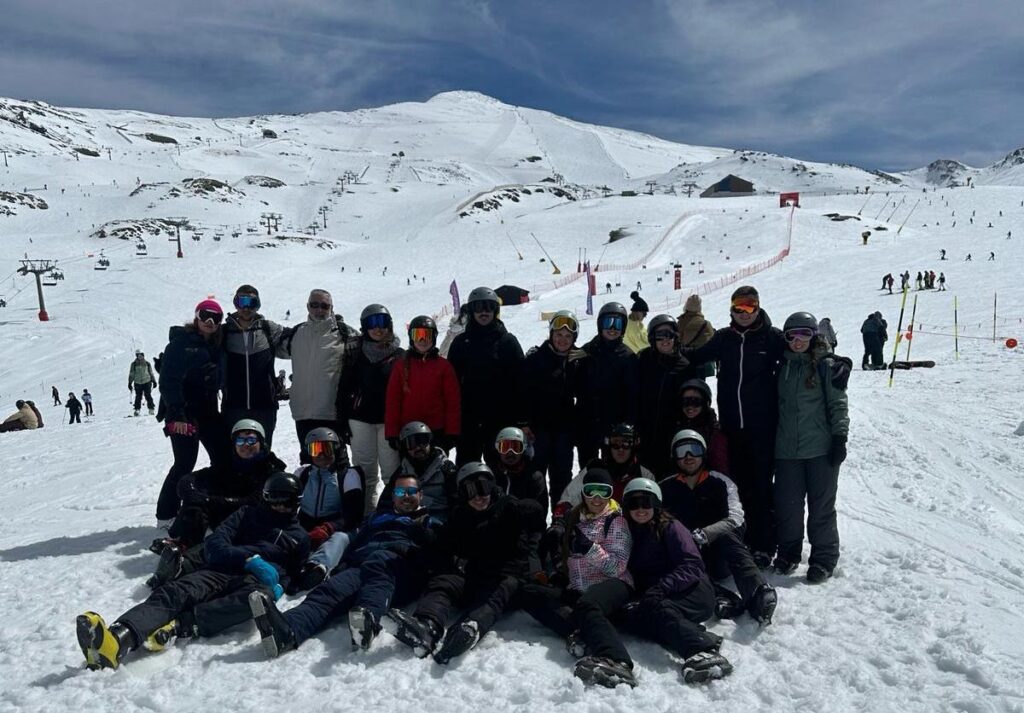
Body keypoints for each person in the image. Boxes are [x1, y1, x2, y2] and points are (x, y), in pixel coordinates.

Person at [76, 472, 310, 670]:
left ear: (296, 502)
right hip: (222, 569)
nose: (278, 506)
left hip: (255, 581)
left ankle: (182, 624)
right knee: (175, 591)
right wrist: (248, 558)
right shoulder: (247, 514)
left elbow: (294, 574)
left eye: (285, 501)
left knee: (255, 601)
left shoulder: (299, 538)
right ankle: (117, 640)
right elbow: (215, 543)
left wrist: (280, 584)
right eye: (273, 499)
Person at [248, 473, 441, 657]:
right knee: (329, 591)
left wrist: (423, 539)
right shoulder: (377, 518)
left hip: (399, 571)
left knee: (379, 560)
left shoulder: (430, 521)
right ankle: (287, 630)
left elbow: (439, 554)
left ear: (420, 495)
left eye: (411, 492)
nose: (405, 496)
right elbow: (354, 540)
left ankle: (368, 620)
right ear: (393, 496)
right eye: (400, 492)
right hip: (364, 566)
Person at [388, 462, 545, 663]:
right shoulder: (460, 516)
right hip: (475, 576)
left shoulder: (507, 508)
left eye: (483, 488)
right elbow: (442, 545)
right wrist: (420, 538)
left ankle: (470, 628)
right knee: (444, 581)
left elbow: (536, 515)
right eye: (470, 491)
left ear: (492, 487)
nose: (478, 496)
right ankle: (426, 626)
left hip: (506, 577)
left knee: (500, 590)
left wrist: (524, 507)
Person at [681, 286, 786, 567]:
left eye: (750, 307)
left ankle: (764, 544)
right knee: (736, 488)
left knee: (762, 486)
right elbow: (695, 355)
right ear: (731, 309)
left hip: (762, 428)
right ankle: (741, 540)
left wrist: (835, 359)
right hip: (732, 429)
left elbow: (804, 352)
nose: (744, 313)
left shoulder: (771, 337)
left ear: (758, 307)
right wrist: (660, 349)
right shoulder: (724, 339)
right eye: (739, 307)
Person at [526, 468, 635, 688]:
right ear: (583, 493)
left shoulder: (616, 521)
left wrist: (590, 549)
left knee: (587, 604)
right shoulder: (575, 517)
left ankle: (617, 661)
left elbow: (617, 566)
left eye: (603, 492)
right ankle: (583, 630)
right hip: (579, 586)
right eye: (591, 491)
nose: (596, 498)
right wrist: (560, 572)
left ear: (611, 494)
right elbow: (569, 557)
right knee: (529, 592)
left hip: (615, 584)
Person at [149, 419, 289, 588]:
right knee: (196, 502)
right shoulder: (228, 463)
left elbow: (253, 501)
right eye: (240, 440)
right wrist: (190, 491)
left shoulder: (271, 469)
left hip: (250, 523)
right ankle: (182, 543)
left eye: (251, 440)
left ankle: (185, 562)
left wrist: (211, 500)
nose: (246, 445)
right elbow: (193, 478)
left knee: (210, 515)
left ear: (261, 442)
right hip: (225, 515)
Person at [619, 478, 733, 683]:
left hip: (692, 590)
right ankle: (692, 633)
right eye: (634, 504)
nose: (641, 509)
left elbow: (693, 565)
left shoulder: (670, 527)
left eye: (647, 503)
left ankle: (703, 649)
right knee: (630, 615)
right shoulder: (626, 531)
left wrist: (662, 587)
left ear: (656, 504)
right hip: (660, 593)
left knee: (654, 608)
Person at [659, 430, 777, 625]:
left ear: (703, 454)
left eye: (694, 450)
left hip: (719, 554)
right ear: (674, 457)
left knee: (728, 536)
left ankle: (757, 591)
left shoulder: (720, 481)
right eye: (682, 452)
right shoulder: (665, 487)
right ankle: (723, 596)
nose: (688, 457)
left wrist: (706, 534)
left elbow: (736, 517)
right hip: (684, 558)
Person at [773, 313, 850, 583]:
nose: (797, 341)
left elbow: (838, 403)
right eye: (791, 336)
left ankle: (823, 558)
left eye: (804, 335)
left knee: (821, 507)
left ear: (814, 335)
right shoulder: (780, 365)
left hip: (820, 449)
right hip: (786, 451)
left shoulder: (826, 366)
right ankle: (788, 552)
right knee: (788, 507)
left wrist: (839, 437)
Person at [155, 299, 227, 526]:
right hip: (184, 414)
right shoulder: (180, 344)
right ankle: (166, 514)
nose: (209, 322)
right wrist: (177, 413)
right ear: (196, 316)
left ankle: (216, 505)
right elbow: (168, 381)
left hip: (208, 412)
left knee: (223, 458)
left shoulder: (215, 344)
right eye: (205, 315)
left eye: (215, 318)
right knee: (184, 462)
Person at [276, 289, 360, 464]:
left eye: (324, 306)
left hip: (332, 412)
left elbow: (371, 348)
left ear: (331, 307)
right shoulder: (297, 334)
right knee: (308, 463)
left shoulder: (345, 334)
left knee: (337, 463)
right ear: (308, 306)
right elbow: (269, 349)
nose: (319, 310)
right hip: (303, 413)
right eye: (315, 305)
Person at [447, 287, 525, 466]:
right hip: (469, 421)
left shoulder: (507, 342)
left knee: (499, 469)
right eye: (478, 307)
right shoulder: (461, 343)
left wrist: (521, 420)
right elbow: (451, 386)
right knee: (467, 469)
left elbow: (520, 383)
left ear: (495, 310)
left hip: (500, 420)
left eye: (489, 307)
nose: (484, 312)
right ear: (472, 310)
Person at [338, 304, 404, 511]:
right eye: (372, 324)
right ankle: (367, 515)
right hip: (360, 420)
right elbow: (343, 387)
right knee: (365, 472)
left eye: (383, 323)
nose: (378, 329)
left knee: (391, 472)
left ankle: (393, 512)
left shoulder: (400, 355)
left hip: (389, 423)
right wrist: (342, 421)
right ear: (364, 327)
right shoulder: (355, 354)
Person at [289, 427, 367, 592]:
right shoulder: (302, 474)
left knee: (339, 539)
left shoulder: (348, 475)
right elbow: (289, 506)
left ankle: (316, 568)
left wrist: (328, 528)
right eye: (316, 449)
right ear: (309, 452)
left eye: (328, 448)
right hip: (307, 526)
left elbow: (353, 514)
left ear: (337, 450)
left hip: (339, 527)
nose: (323, 455)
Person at [520, 310, 581, 509]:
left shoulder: (577, 360)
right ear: (551, 335)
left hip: (564, 431)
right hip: (539, 431)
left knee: (562, 478)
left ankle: (561, 522)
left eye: (567, 336)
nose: (562, 340)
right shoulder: (536, 359)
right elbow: (522, 393)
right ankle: (537, 521)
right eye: (558, 335)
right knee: (536, 477)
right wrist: (524, 423)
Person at [573, 302, 639, 466]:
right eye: (607, 322)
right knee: (588, 468)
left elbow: (633, 395)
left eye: (617, 324)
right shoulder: (587, 351)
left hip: (615, 426)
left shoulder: (627, 357)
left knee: (614, 468)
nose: (612, 328)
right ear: (599, 325)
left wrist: (629, 423)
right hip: (588, 425)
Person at [384, 315, 460, 454]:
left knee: (436, 469)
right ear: (411, 337)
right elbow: (393, 401)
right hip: (408, 431)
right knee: (410, 471)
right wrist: (392, 433)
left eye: (427, 335)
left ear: (434, 337)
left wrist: (452, 432)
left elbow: (452, 401)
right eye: (418, 335)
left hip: (436, 431)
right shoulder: (401, 366)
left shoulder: (443, 366)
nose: (423, 340)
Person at [222, 285, 285, 448]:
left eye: (252, 302)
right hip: (234, 406)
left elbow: (298, 340)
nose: (247, 308)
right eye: (242, 302)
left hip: (264, 405)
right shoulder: (224, 332)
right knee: (234, 452)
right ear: (236, 303)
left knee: (262, 449)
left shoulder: (268, 329)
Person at [554, 423, 654, 519]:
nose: (620, 449)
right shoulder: (594, 469)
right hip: (594, 529)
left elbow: (653, 508)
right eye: (615, 443)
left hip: (632, 530)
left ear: (633, 446)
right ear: (608, 444)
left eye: (626, 443)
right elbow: (569, 498)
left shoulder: (644, 475)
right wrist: (560, 519)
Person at [637, 314, 694, 476]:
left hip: (670, 435)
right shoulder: (643, 360)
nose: (665, 340)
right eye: (659, 336)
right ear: (652, 339)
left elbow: (692, 400)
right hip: (644, 435)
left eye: (669, 335)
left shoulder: (684, 366)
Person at [490, 426, 549, 574]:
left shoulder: (534, 476)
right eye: (505, 447)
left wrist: (512, 506)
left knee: (534, 550)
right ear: (498, 449)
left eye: (516, 447)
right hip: (498, 527)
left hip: (528, 530)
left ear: (523, 449)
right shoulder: (492, 475)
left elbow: (539, 512)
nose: (510, 453)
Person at [378, 422, 457, 521]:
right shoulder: (403, 470)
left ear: (430, 442)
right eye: (411, 443)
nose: (418, 447)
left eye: (422, 441)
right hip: (406, 518)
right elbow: (385, 502)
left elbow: (457, 503)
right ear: (405, 448)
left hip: (438, 518)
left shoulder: (446, 469)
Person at [673, 379, 729, 475]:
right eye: (685, 402)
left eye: (695, 402)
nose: (690, 407)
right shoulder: (676, 428)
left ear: (705, 403)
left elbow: (720, 467)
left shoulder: (714, 432)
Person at [676, 294, 715, 378]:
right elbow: (712, 340)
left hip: (684, 360)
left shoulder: (680, 323)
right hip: (701, 362)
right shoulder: (705, 323)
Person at [128, 350, 156, 416]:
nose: (140, 357)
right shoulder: (134, 364)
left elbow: (151, 373)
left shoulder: (147, 363)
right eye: (138, 355)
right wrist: (129, 383)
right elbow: (131, 374)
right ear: (137, 356)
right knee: (138, 396)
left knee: (148, 395)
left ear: (143, 355)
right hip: (137, 383)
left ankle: (151, 409)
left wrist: (154, 381)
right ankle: (137, 410)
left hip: (147, 381)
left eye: (141, 355)